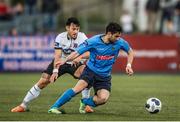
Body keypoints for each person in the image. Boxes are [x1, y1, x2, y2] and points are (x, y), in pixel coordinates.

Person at [48, 22, 134, 114]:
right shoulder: (93, 41)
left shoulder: (120, 42)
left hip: (105, 76)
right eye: (116, 36)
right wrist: (65, 60)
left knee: (103, 99)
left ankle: (84, 102)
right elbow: (77, 52)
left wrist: (129, 65)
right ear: (109, 34)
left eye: (119, 36)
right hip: (90, 72)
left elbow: (130, 52)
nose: (118, 39)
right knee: (77, 89)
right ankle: (54, 107)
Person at [11, 17, 93, 113]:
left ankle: (85, 105)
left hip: (75, 63)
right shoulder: (60, 37)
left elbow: (89, 53)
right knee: (43, 81)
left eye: (78, 29)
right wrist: (55, 71)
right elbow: (57, 56)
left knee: (87, 77)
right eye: (73, 29)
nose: (76, 31)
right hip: (60, 62)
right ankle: (23, 105)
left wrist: (80, 57)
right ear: (67, 28)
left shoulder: (82, 37)